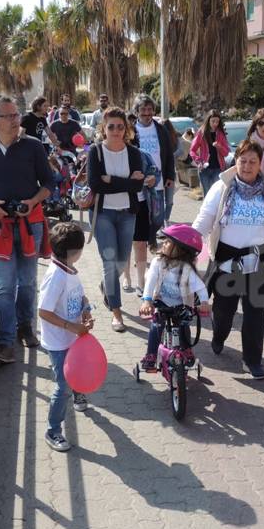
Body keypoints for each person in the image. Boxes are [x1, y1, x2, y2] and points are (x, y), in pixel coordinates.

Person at [192, 139, 264, 380]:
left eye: (253, 161)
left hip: (261, 262)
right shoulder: (223, 187)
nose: (248, 166)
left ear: (261, 164)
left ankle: (252, 361)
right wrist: (186, 244)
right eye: (243, 161)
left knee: (255, 313)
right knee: (224, 312)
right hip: (228, 261)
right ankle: (219, 336)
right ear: (235, 162)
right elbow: (203, 221)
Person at [0, 96, 55, 363]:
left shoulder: (34, 146)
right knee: (4, 285)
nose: (16, 120)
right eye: (10, 116)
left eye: (17, 115)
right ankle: (5, 342)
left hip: (31, 223)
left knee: (27, 282)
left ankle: (25, 327)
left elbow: (49, 182)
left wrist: (33, 201)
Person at [87, 107, 150, 332]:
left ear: (127, 129)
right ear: (104, 128)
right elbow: (95, 184)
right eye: (111, 126)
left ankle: (108, 285)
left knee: (122, 262)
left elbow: (137, 185)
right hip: (102, 213)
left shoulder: (133, 153)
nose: (115, 130)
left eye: (120, 127)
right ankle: (117, 313)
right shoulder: (95, 152)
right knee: (110, 262)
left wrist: (111, 180)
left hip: (127, 213)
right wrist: (125, 182)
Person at [38, 222, 95, 452]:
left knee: (77, 371)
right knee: (62, 386)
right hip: (59, 342)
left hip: (73, 336)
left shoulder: (69, 269)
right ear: (76, 252)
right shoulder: (56, 276)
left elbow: (78, 295)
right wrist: (71, 327)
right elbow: (43, 311)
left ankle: (78, 394)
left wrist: (86, 308)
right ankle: (53, 430)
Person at [138, 224, 211, 372]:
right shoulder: (158, 262)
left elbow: (201, 287)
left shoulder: (187, 268)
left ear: (181, 249)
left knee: (184, 325)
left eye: (168, 242)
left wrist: (204, 302)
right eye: (164, 241)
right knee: (156, 325)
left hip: (181, 304)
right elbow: (151, 281)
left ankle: (186, 350)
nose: (163, 243)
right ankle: (151, 355)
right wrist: (147, 300)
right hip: (162, 301)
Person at [130, 94, 176, 290]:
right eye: (144, 110)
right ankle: (144, 244)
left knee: (158, 217)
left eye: (150, 110)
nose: (147, 114)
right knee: (143, 217)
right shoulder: (132, 130)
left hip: (158, 182)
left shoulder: (160, 129)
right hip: (141, 183)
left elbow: (168, 154)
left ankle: (150, 238)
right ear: (137, 112)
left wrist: (169, 175)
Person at [190, 110, 230, 196]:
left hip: (218, 169)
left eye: (217, 121)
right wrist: (199, 161)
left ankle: (217, 210)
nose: (215, 123)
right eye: (213, 121)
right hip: (204, 170)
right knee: (207, 195)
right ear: (208, 121)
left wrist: (219, 147)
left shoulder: (220, 134)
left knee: (216, 195)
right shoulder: (202, 133)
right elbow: (192, 150)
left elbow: (226, 153)